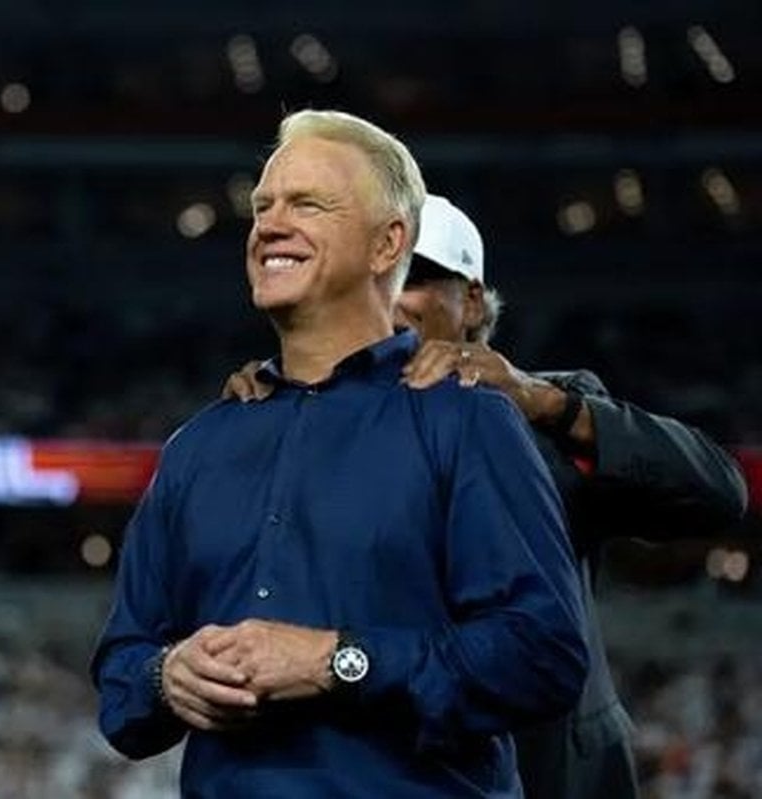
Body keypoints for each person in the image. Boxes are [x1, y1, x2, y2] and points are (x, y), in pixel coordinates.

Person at [91, 110, 589, 798]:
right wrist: (166, 675)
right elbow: (122, 684)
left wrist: (339, 660)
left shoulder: (469, 421)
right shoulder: (196, 447)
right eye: (263, 206)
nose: (270, 224)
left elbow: (543, 655)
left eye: (307, 205)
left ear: (388, 244)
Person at [221, 193, 750, 799]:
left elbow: (717, 493)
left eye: (412, 278)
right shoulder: (300, 424)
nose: (386, 297)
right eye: (368, 279)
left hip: (544, 770)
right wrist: (255, 431)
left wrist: (548, 404)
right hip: (380, 766)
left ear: (471, 301)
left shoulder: (544, 417)